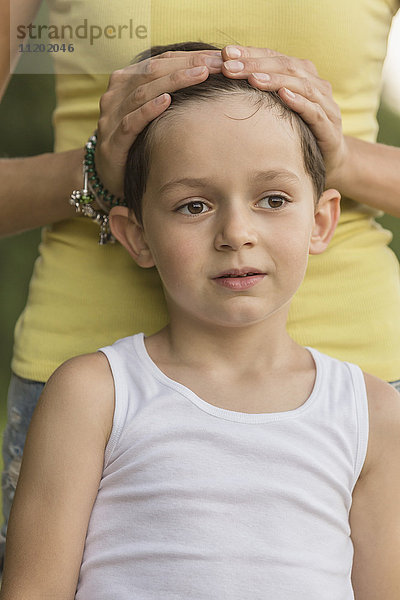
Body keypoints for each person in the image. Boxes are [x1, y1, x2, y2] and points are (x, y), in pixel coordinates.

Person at [1, 0, 400, 564]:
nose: (237, 233)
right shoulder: (84, 397)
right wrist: (92, 174)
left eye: (274, 199)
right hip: (87, 399)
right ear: (133, 233)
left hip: (360, 395)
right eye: (194, 205)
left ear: (320, 219)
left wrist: (342, 158)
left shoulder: (374, 414)